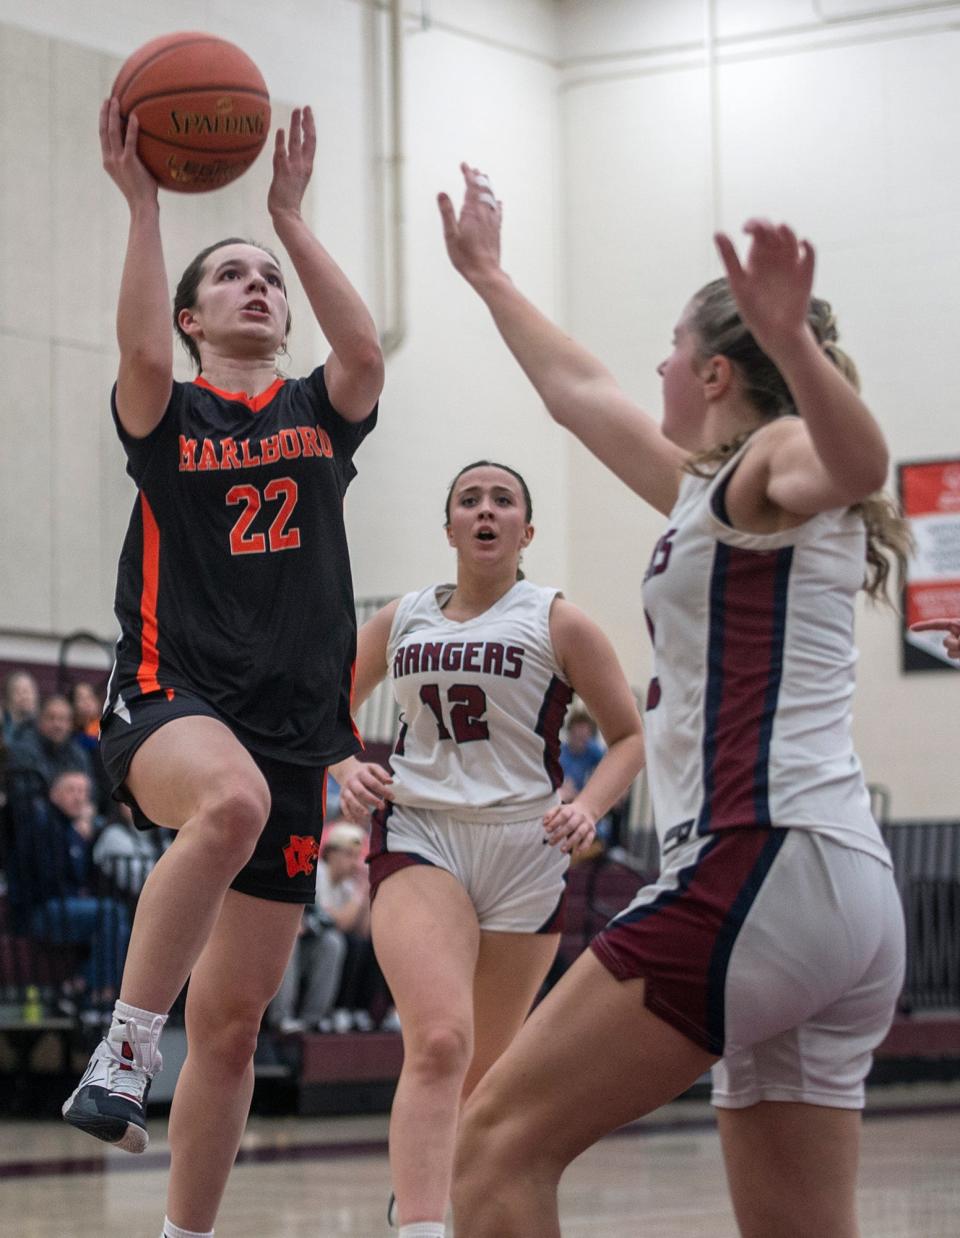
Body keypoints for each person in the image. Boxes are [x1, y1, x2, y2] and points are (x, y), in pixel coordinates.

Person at [438, 166, 910, 1238]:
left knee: (492, 1144)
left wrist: (792, 343)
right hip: (830, 887)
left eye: (668, 342)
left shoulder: (778, 456)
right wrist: (486, 273)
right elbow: (580, 390)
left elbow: (859, 458)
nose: (650, 360)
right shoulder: (710, 494)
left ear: (710, 369)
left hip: (760, 860)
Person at [60, 98, 383, 1238]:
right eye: (232, 275)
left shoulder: (317, 411)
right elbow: (137, 348)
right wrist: (144, 205)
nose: (258, 286)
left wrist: (290, 218)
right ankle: (123, 1047)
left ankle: (183, 1232)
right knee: (230, 798)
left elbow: (365, 353)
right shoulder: (168, 407)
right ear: (194, 316)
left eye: (269, 279)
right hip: (170, 692)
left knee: (238, 1022)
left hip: (296, 725)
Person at [330, 460, 645, 1238]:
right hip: (420, 832)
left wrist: (591, 806)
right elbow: (318, 703)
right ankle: (421, 1227)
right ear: (449, 530)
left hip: (526, 850)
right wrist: (342, 764)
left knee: (481, 1076)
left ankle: (435, 1202)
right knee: (438, 1040)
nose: (485, 510)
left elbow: (632, 738)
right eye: (468, 499)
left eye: (503, 500)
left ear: (525, 531)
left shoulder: (557, 619)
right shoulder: (401, 618)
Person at [8, 769, 127, 1017]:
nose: (79, 797)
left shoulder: (70, 827)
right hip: (40, 911)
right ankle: (95, 991)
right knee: (112, 913)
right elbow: (53, 877)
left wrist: (84, 837)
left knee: (116, 918)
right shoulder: (44, 824)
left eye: (83, 791)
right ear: (54, 794)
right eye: (71, 790)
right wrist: (77, 837)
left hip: (62, 906)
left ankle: (80, 986)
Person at [267, 821, 370, 1034]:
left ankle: (313, 1019)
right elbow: (336, 920)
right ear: (331, 853)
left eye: (357, 856)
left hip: (309, 946)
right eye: (349, 855)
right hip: (278, 939)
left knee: (334, 943)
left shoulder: (347, 885)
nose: (355, 863)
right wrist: (359, 896)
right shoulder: (316, 872)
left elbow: (362, 931)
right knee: (290, 937)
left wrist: (364, 894)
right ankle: (281, 1018)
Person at [6, 694, 95, 791]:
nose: (57, 725)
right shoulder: (23, 751)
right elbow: (25, 797)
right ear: (39, 721)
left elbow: (91, 792)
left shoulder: (78, 754)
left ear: (71, 724)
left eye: (62, 719)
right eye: (51, 718)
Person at [1, 669, 39, 746]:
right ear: (7, 697)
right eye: (18, 691)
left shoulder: (41, 726)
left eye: (29, 691)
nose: (25, 696)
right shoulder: (3, 723)